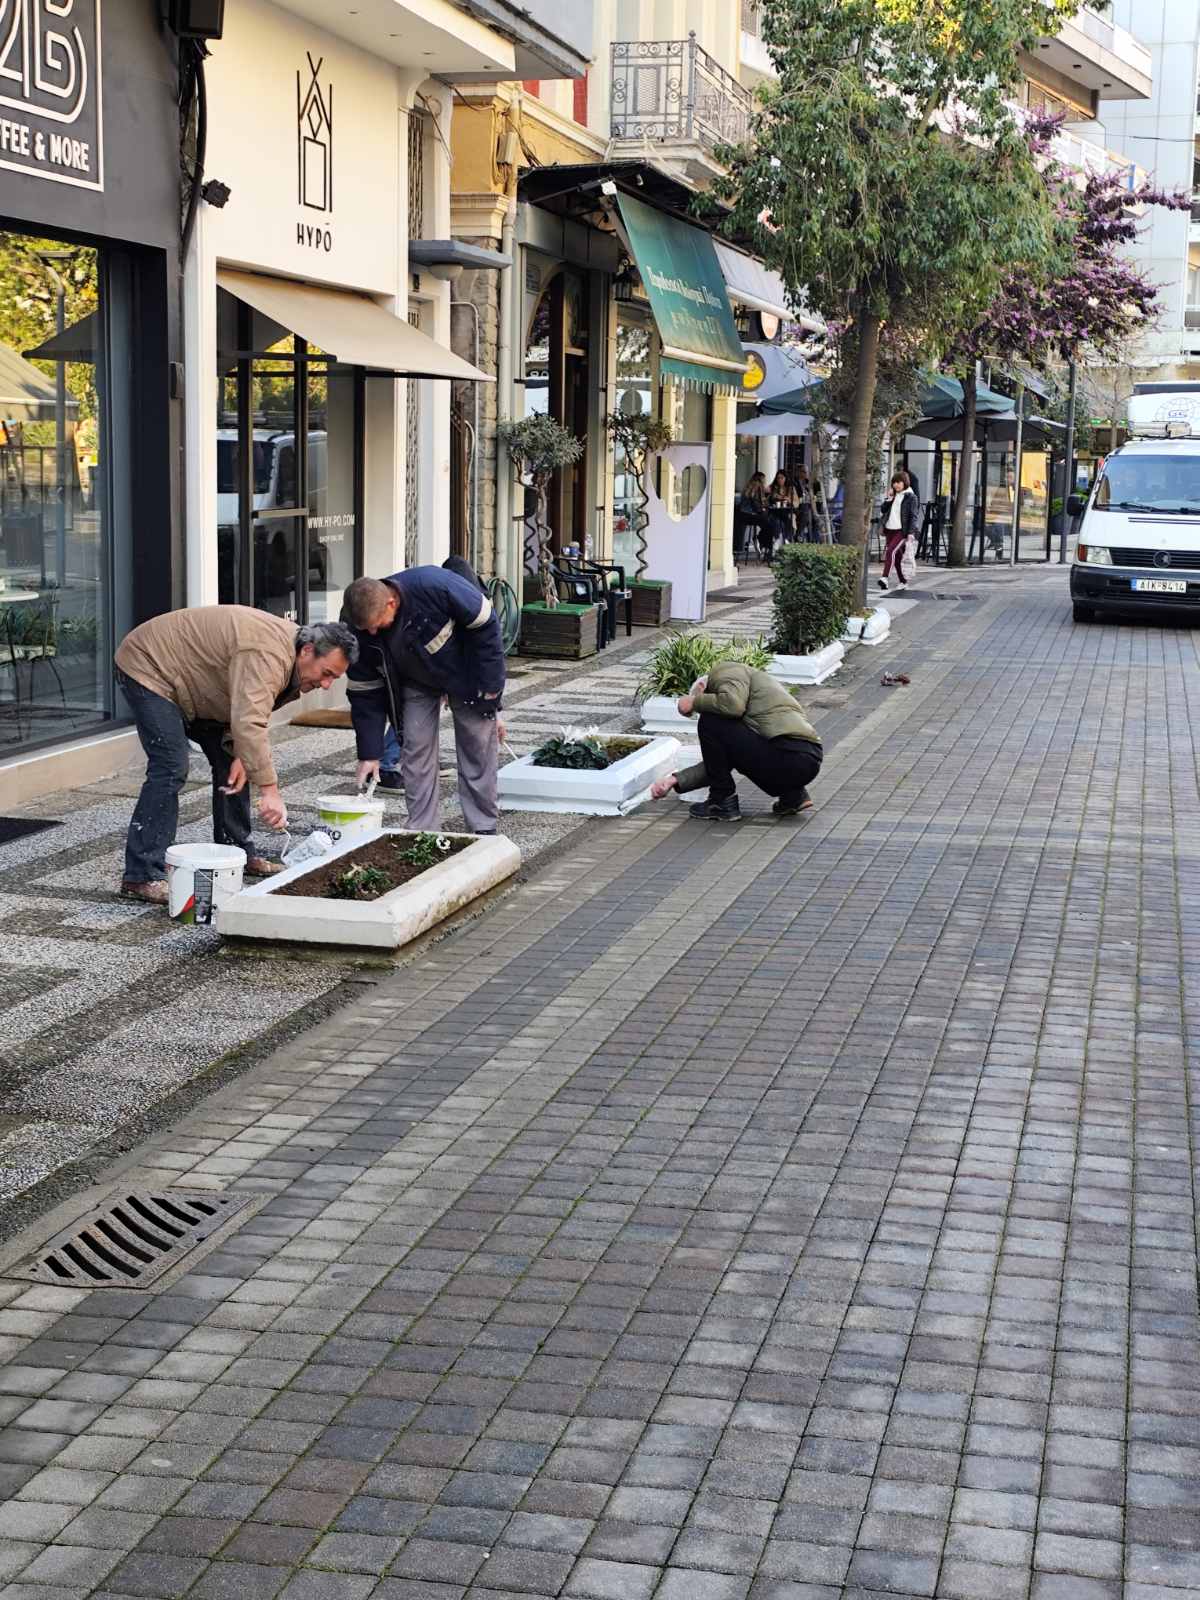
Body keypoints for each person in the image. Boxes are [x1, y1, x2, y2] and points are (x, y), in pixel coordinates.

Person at [114, 609, 357, 904]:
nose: (327, 684)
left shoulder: (293, 660)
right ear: (307, 651)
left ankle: (238, 851)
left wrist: (243, 751)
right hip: (149, 665)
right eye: (327, 673)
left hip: (196, 683)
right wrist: (270, 791)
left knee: (232, 760)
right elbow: (249, 720)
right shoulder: (268, 654)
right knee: (171, 764)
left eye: (335, 678)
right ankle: (141, 875)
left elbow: (249, 710)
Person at [343, 566, 505, 834]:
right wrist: (370, 753)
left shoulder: (437, 587)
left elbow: (488, 627)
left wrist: (491, 691)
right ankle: (423, 829)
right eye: (366, 629)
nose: (372, 633)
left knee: (477, 745)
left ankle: (483, 827)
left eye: (376, 625)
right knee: (415, 751)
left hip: (467, 674)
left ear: (391, 602)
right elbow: (364, 692)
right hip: (414, 681)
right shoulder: (356, 625)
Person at [649, 659, 823, 822]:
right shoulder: (751, 693)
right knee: (725, 738)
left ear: (702, 686)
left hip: (790, 754)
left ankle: (721, 801)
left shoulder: (726, 671)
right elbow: (719, 764)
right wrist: (674, 780)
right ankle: (793, 797)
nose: (702, 707)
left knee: (709, 721)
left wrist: (694, 701)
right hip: (804, 760)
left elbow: (733, 705)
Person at [879, 470, 919, 590]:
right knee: (896, 557)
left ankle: (885, 578)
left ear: (905, 483)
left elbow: (914, 516)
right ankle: (903, 581)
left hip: (902, 531)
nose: (896, 485)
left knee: (890, 552)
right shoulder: (894, 495)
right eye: (894, 483)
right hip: (890, 529)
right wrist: (889, 498)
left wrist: (911, 532)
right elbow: (883, 510)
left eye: (898, 482)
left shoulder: (911, 497)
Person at [735, 471, 771, 560]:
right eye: (764, 479)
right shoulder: (758, 486)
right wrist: (762, 509)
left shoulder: (748, 486)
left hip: (742, 515)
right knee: (769, 525)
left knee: (766, 523)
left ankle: (760, 542)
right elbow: (755, 503)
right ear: (761, 479)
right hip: (750, 515)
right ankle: (762, 543)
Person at [767, 470, 799, 547]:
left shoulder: (791, 488)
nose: (780, 480)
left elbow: (796, 502)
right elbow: (768, 499)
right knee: (776, 521)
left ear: (785, 478)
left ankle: (786, 538)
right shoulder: (773, 487)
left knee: (789, 519)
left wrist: (788, 499)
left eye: (782, 478)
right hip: (775, 512)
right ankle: (778, 539)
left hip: (787, 511)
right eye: (778, 478)